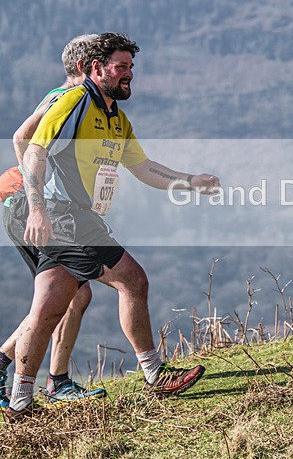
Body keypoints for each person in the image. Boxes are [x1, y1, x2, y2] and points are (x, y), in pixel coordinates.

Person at [4, 32, 221, 420]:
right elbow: (34, 149)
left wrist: (190, 181)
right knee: (132, 280)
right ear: (96, 68)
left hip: (76, 216)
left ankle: (20, 402)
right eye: (121, 67)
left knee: (52, 306)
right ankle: (154, 374)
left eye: (131, 68)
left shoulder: (115, 118)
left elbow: (143, 168)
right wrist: (37, 209)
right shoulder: (72, 101)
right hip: (65, 216)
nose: (128, 75)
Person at [0, 35, 106, 410]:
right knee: (67, 296)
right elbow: (22, 136)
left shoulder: (76, 101)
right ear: (84, 67)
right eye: (101, 61)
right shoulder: (66, 97)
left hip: (37, 207)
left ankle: (48, 378)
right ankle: (52, 381)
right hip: (30, 208)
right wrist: (39, 194)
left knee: (75, 294)